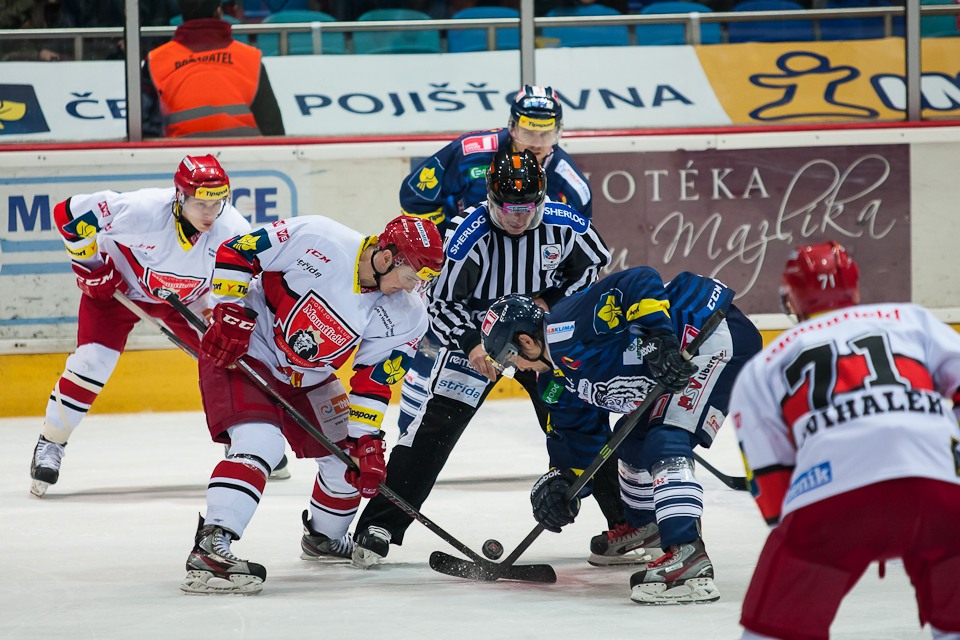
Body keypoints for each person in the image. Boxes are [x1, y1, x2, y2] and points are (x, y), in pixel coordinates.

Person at [350, 146, 611, 568]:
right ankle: (380, 524)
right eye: (508, 207)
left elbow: (595, 265)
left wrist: (550, 303)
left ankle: (625, 522)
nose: (518, 217)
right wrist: (472, 344)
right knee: (436, 427)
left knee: (581, 423)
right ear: (490, 197)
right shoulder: (465, 237)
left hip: (539, 345)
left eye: (527, 208)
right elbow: (440, 303)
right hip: (479, 342)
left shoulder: (567, 226)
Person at [179, 214, 444, 595]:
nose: (413, 287)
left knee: (348, 460)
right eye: (410, 277)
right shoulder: (320, 237)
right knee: (261, 444)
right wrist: (230, 309)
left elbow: (374, 380)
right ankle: (211, 545)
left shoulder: (408, 313)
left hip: (309, 376)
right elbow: (239, 251)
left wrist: (364, 440)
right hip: (247, 349)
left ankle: (324, 538)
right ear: (387, 257)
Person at [479, 266, 763, 604]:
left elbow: (639, 279)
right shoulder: (554, 381)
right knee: (630, 441)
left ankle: (687, 554)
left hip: (709, 335)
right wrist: (562, 483)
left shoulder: (568, 325)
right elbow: (577, 437)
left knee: (666, 436)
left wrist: (659, 339)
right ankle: (650, 527)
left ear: (526, 342)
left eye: (510, 359)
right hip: (684, 357)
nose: (517, 369)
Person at [730, 241, 960, 640]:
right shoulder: (911, 320)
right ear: (855, 287)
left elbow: (770, 477)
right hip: (938, 487)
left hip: (833, 498)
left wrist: (799, 542)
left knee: (772, 631)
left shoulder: (766, 364)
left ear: (791, 297)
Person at [30, 154, 252, 498]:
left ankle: (246, 442)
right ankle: (51, 443)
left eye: (216, 203)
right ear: (180, 197)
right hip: (118, 290)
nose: (209, 213)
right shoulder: (142, 210)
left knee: (230, 362)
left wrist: (222, 318)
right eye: (200, 203)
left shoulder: (235, 231)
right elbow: (68, 214)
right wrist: (90, 266)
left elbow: (241, 285)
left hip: (189, 300)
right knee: (92, 363)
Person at [399, 84, 591, 237]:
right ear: (513, 127)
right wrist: (444, 243)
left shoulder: (574, 187)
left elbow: (579, 244)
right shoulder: (470, 153)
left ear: (558, 132)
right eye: (528, 132)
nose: (536, 144)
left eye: (545, 134)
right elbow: (416, 196)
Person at [141, 0, 285, 138]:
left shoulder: (156, 61)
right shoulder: (250, 58)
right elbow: (274, 131)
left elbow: (144, 133)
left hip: (180, 154)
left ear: (182, 15)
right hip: (244, 154)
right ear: (218, 12)